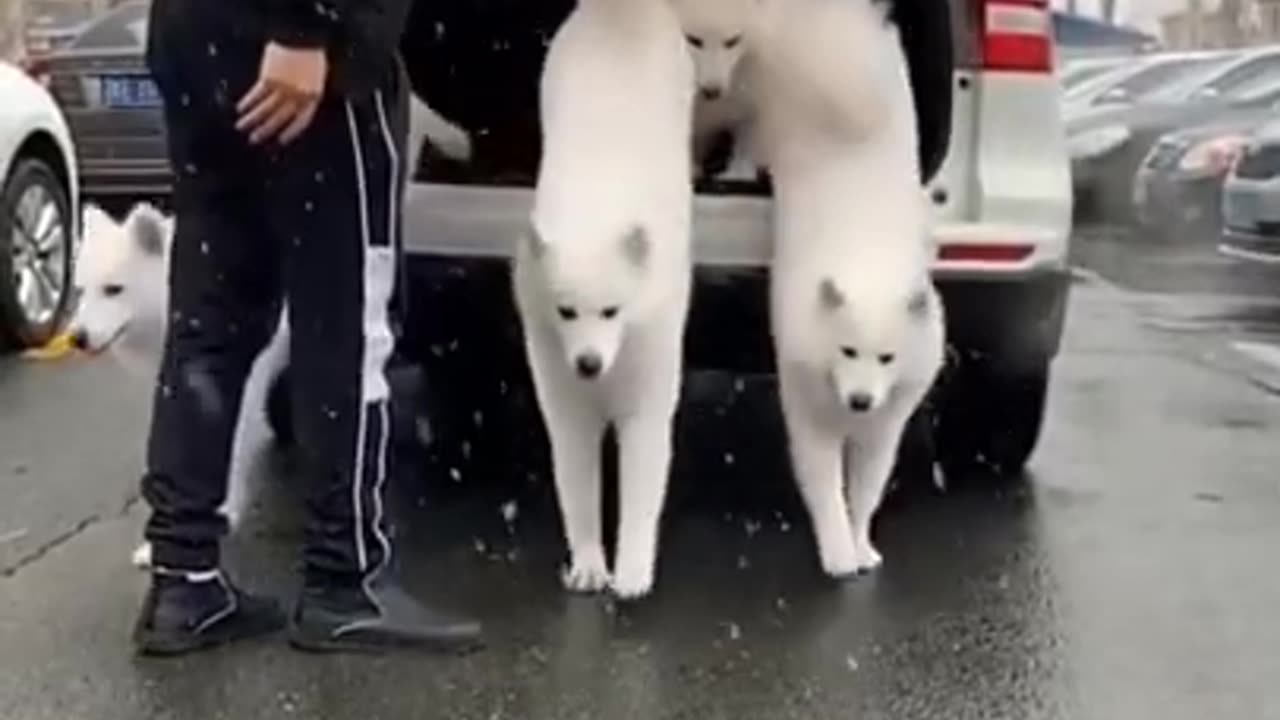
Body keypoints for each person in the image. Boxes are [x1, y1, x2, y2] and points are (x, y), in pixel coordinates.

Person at [133, 0, 483, 656]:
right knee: (348, 322)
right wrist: (305, 26)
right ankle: (345, 582)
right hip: (303, 51)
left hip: (194, 37)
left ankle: (183, 580)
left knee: (212, 315)